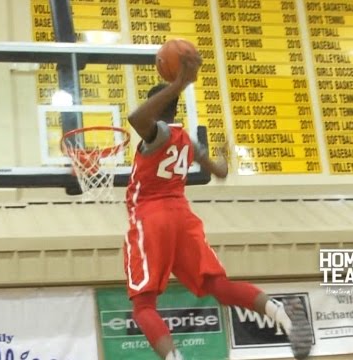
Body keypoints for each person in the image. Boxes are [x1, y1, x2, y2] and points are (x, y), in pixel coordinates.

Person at [124, 52, 313, 360]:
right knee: (220, 286)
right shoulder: (187, 140)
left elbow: (136, 118)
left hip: (152, 217)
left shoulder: (156, 132)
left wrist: (180, 83)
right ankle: (283, 315)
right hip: (183, 217)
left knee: (144, 306)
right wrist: (223, 156)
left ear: (156, 109)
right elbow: (220, 173)